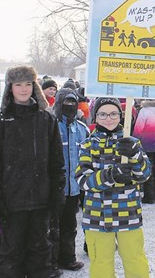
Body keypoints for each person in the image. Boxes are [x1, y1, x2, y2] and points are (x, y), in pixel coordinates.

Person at [0, 64, 66, 278]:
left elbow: (57, 163)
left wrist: (57, 193)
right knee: (11, 257)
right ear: (10, 88)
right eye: (18, 84)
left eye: (28, 84)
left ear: (34, 86)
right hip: (11, 204)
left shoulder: (46, 120)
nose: (24, 89)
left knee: (41, 256)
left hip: (41, 203)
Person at [76, 97, 151, 278]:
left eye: (113, 113)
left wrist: (135, 157)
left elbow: (145, 174)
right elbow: (83, 180)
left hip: (128, 213)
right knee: (101, 263)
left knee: (135, 260)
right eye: (103, 114)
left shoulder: (132, 143)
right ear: (95, 117)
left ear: (120, 116)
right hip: (97, 216)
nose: (108, 118)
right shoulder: (88, 144)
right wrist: (110, 175)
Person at [49, 88, 89, 276]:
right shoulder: (50, 126)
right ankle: (52, 262)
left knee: (70, 225)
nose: (70, 106)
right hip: (54, 188)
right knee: (52, 227)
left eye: (73, 103)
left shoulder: (82, 129)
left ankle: (68, 258)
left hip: (74, 188)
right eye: (66, 102)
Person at [132, 99, 155, 204]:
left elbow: (138, 129)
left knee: (148, 170)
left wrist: (134, 141)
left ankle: (149, 197)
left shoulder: (144, 111)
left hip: (146, 144)